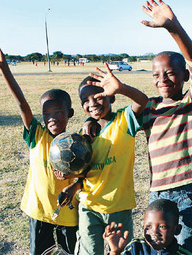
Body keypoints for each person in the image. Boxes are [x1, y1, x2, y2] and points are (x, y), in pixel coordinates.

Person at [0, 45, 78, 255]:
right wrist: (4, 69)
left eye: (58, 111)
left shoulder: (79, 143)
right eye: (46, 113)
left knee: (71, 251)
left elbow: (87, 174)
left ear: (70, 113)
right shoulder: (37, 136)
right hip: (38, 211)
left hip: (69, 213)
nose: (52, 117)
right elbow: (22, 104)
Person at [140, 0, 192, 254]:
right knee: (156, 249)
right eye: (157, 75)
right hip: (156, 194)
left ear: (184, 76)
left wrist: (174, 28)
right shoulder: (149, 109)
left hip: (187, 193)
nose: (163, 79)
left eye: (170, 73)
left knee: (188, 247)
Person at [61, 63, 147, 255]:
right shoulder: (81, 138)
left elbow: (143, 101)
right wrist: (73, 184)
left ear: (111, 96)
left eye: (98, 96)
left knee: (123, 251)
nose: (92, 103)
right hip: (89, 206)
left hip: (119, 206)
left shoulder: (124, 121)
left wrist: (122, 87)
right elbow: (85, 172)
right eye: (85, 100)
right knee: (89, 252)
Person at [104, 199, 192, 255]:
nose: (154, 232)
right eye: (148, 226)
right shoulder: (136, 247)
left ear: (177, 229)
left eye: (162, 226)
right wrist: (115, 252)